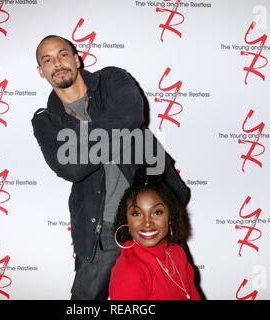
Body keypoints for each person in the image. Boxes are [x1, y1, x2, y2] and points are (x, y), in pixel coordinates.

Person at [31, 35, 190, 300]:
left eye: (62, 54)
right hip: (102, 228)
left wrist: (81, 144)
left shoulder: (112, 80)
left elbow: (130, 116)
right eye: (47, 60)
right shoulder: (46, 121)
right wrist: (119, 132)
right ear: (41, 71)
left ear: (77, 59)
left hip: (154, 215)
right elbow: (70, 168)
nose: (57, 63)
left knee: (172, 293)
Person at [109, 168, 200, 300]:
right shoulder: (130, 271)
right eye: (136, 213)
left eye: (157, 212)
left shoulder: (177, 252)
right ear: (126, 220)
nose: (147, 222)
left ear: (170, 216)